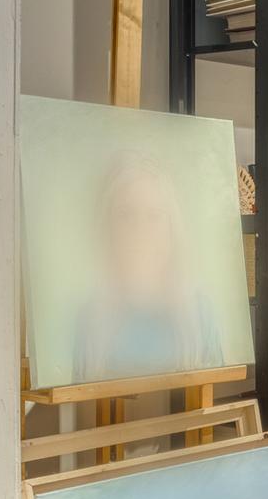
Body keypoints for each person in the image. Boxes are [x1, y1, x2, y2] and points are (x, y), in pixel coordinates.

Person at [72, 150, 225, 383]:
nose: (140, 232)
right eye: (125, 214)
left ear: (172, 228)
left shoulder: (199, 312)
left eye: (154, 216)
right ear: (107, 226)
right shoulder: (88, 319)